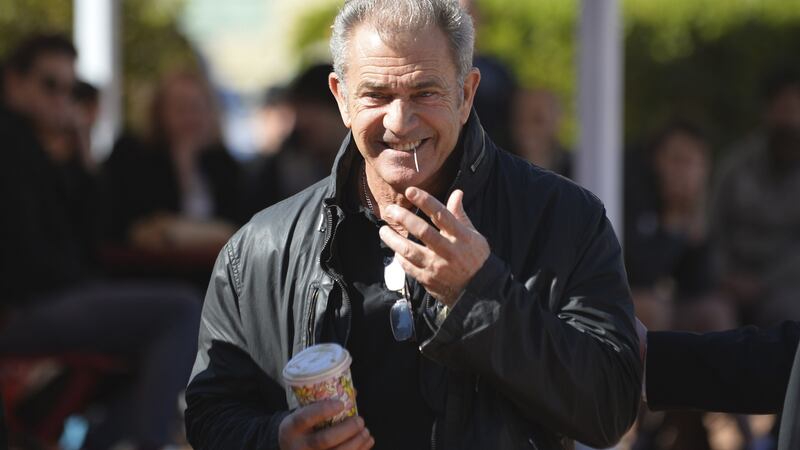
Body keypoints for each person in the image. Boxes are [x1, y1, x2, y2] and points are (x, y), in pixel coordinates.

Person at [185, 1, 641, 449]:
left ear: (465, 94)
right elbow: (210, 416)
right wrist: (278, 438)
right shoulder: (260, 248)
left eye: (425, 92)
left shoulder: (562, 218)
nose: (400, 122)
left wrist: (480, 295)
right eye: (376, 95)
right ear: (341, 99)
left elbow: (609, 409)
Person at [0, 34, 201, 449]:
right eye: (49, 85)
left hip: (55, 298)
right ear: (14, 84)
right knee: (181, 313)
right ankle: (147, 441)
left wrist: (81, 156)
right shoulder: (11, 145)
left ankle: (113, 439)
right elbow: (32, 258)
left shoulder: (47, 153)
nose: (63, 100)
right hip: (23, 310)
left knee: (168, 335)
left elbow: (92, 239)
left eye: (70, 89)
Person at [103, 70, 243, 254]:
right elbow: (136, 231)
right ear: (159, 112)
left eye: (197, 107)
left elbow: (240, 230)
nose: (190, 117)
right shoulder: (134, 156)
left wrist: (175, 230)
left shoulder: (224, 164)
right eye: (180, 107)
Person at [711, 69, 800, 327]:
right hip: (729, 280)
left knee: (786, 316)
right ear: (768, 110)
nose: (791, 119)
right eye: (784, 108)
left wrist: (763, 283)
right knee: (712, 315)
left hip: (787, 284)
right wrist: (725, 276)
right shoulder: (735, 165)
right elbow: (713, 229)